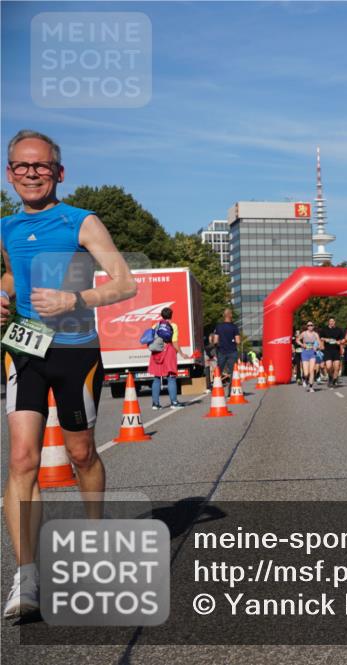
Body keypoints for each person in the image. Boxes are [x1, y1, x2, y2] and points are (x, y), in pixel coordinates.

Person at [1, 129, 137, 617]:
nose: (31, 173)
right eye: (21, 166)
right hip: (23, 349)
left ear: (58, 172)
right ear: (9, 173)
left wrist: (74, 299)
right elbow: (15, 274)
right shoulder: (6, 227)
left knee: (82, 454)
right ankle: (27, 580)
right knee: (21, 460)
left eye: (40, 166)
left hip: (77, 351)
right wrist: (3, 297)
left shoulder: (82, 221)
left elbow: (125, 284)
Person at [149, 307, 189, 409]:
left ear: (162, 315)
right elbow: (174, 342)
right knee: (171, 377)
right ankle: (174, 402)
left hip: (156, 353)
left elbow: (151, 339)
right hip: (169, 351)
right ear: (171, 315)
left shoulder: (155, 326)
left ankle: (155, 404)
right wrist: (181, 353)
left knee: (157, 377)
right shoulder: (173, 326)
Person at [211, 308, 240, 381]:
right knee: (233, 372)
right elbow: (238, 341)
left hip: (221, 352)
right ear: (231, 315)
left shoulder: (218, 327)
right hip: (232, 352)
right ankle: (232, 390)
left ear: (224, 316)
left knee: (218, 371)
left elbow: (215, 341)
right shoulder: (234, 327)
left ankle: (217, 387)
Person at [319, 317, 344, 387]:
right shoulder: (324, 329)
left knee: (337, 367)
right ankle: (330, 377)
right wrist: (325, 339)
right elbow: (321, 337)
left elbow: (343, 339)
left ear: (335, 322)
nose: (332, 322)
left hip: (336, 350)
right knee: (329, 366)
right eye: (330, 321)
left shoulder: (339, 330)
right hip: (327, 350)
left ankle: (334, 380)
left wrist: (340, 342)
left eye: (333, 321)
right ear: (328, 322)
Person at [297, 322, 321, 392]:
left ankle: (311, 387)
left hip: (312, 353)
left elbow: (319, 343)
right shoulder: (304, 333)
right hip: (305, 353)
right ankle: (304, 378)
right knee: (306, 372)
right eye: (308, 325)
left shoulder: (315, 334)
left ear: (313, 326)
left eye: (311, 325)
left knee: (312, 371)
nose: (310, 326)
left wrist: (316, 347)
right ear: (307, 327)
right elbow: (297, 340)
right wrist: (302, 344)